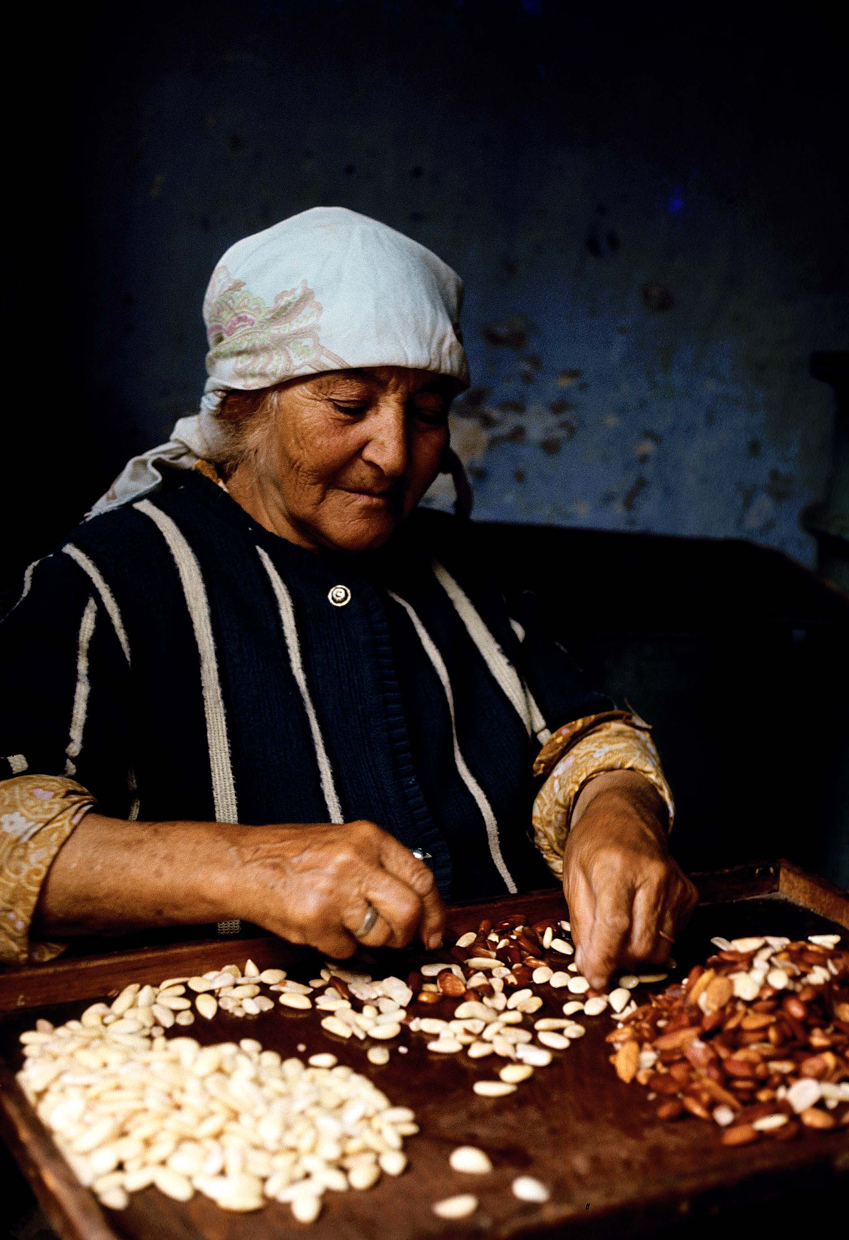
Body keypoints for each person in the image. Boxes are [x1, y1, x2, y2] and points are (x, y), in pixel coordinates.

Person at [0, 207, 696, 987]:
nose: (395, 455)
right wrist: (256, 866)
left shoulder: (463, 566)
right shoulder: (109, 578)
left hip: (513, 1019)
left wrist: (618, 817)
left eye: (427, 413)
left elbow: (584, 739)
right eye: (347, 405)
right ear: (244, 406)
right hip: (244, 1066)